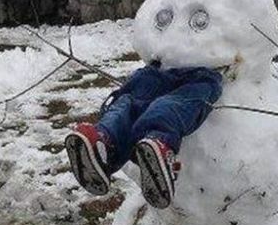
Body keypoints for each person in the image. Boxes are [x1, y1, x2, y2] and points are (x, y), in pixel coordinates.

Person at [65, 62, 222, 209]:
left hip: (192, 70)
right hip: (168, 67)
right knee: (131, 103)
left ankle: (150, 145)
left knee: (155, 105)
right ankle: (106, 146)